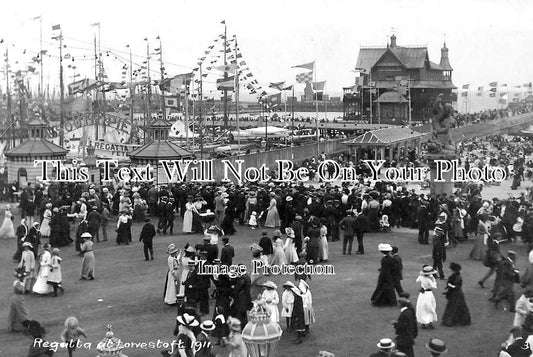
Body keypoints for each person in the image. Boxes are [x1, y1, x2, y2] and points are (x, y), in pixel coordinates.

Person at [442, 262, 471, 326]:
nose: (451, 271)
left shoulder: (458, 277)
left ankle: (451, 320)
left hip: (456, 293)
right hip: (454, 293)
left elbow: (457, 286)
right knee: (455, 306)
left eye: (452, 270)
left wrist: (450, 285)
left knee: (454, 306)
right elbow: (450, 282)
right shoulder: (453, 276)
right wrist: (449, 284)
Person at [7, 267, 30, 332]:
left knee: (15, 312)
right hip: (18, 298)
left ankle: (14, 326)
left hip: (15, 298)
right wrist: (23, 284)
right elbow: (21, 290)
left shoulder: (17, 282)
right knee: (23, 312)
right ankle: (26, 325)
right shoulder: (18, 283)